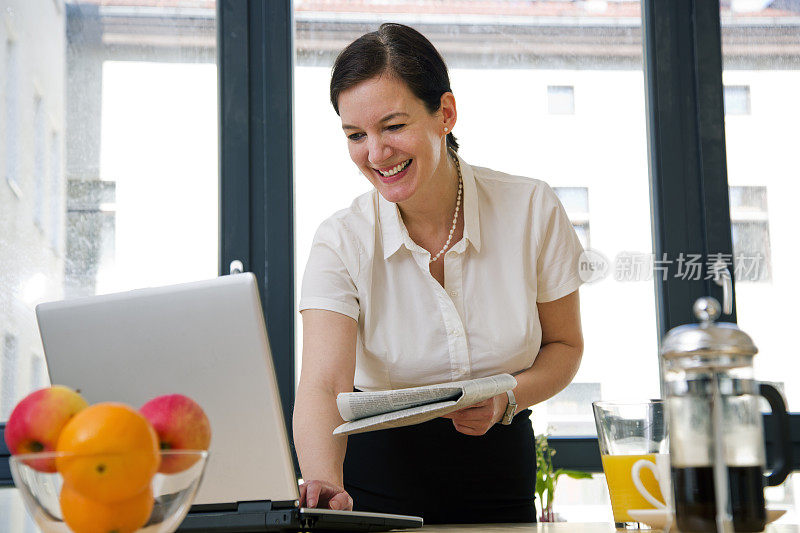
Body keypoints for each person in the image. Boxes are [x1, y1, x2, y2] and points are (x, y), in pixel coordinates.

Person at [293, 22, 584, 524]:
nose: (376, 154)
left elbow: (564, 348)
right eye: (356, 135)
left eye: (393, 126)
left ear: (444, 113)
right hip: (373, 485)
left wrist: (505, 398)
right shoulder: (340, 239)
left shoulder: (531, 207)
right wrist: (324, 485)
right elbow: (322, 387)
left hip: (499, 472)